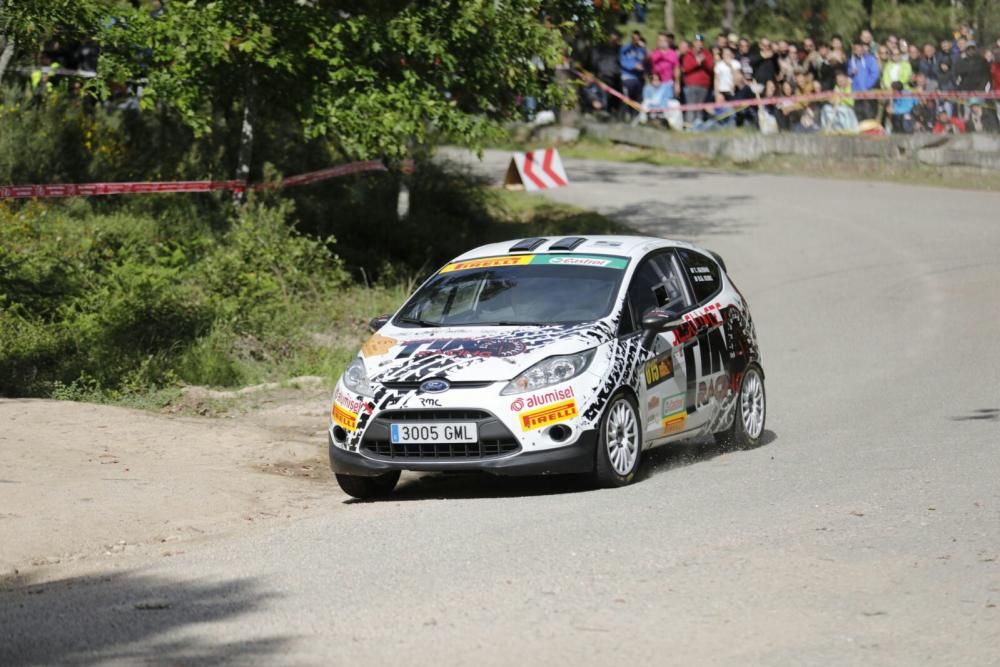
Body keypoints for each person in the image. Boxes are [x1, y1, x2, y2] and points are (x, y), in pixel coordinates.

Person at [680, 33, 714, 124]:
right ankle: (689, 126)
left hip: (703, 85)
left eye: (700, 42)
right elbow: (685, 68)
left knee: (699, 108)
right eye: (697, 41)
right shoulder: (688, 54)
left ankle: (698, 127)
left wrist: (704, 62)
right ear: (694, 42)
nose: (699, 43)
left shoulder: (707, 54)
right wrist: (697, 62)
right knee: (691, 107)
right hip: (690, 85)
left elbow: (711, 68)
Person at [848, 40, 880, 121]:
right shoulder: (851, 61)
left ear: (863, 49)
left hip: (867, 92)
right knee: (858, 113)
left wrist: (867, 86)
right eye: (856, 49)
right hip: (856, 92)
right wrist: (851, 72)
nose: (858, 51)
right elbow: (848, 74)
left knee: (868, 113)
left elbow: (875, 74)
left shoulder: (870, 59)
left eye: (860, 49)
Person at [591, 32, 622, 113]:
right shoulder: (600, 49)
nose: (613, 41)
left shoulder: (620, 50)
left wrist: (616, 71)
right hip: (602, 75)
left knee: (614, 95)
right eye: (612, 39)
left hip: (614, 77)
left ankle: (610, 110)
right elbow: (594, 62)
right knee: (602, 93)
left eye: (615, 40)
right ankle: (602, 110)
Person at [619, 31, 647, 114]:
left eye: (637, 38)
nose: (636, 40)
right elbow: (622, 61)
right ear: (631, 38)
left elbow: (645, 61)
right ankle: (624, 115)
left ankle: (635, 116)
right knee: (626, 99)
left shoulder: (641, 49)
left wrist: (644, 49)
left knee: (637, 99)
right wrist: (633, 66)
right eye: (634, 38)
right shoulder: (625, 48)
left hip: (638, 79)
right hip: (627, 78)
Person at [648, 32, 679, 101]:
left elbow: (676, 69)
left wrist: (677, 83)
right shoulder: (653, 52)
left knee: (667, 105)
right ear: (657, 41)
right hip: (655, 84)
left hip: (668, 84)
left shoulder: (672, 53)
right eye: (660, 40)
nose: (661, 42)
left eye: (663, 40)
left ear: (667, 41)